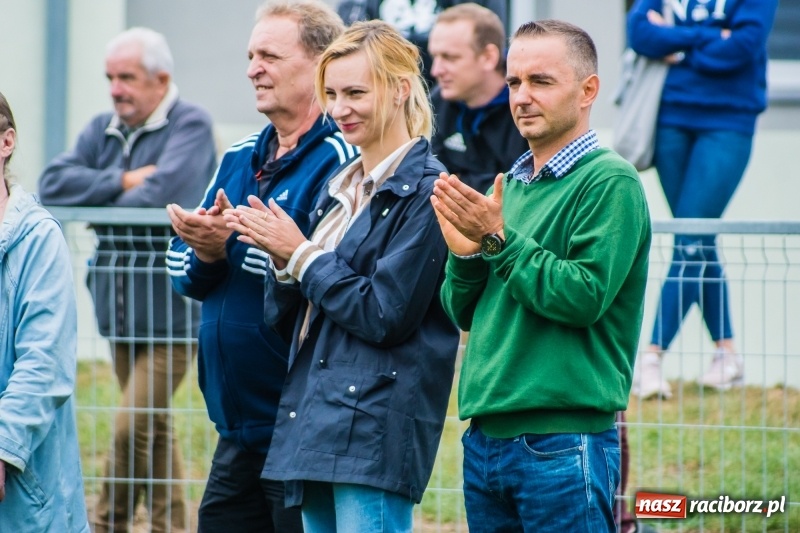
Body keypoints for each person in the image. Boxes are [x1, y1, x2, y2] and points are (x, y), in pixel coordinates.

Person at [224, 20, 460, 532]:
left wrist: (301, 255)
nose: (339, 109)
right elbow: (289, 317)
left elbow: (383, 314)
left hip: (373, 427)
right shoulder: (339, 190)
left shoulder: (428, 193)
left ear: (400, 91)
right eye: (330, 93)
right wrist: (283, 262)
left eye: (356, 92)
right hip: (315, 417)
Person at [433, 20, 652, 532]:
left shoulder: (609, 179)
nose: (522, 97)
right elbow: (462, 312)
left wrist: (498, 241)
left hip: (562, 439)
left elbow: (582, 296)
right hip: (486, 439)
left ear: (588, 90)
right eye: (513, 83)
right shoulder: (508, 187)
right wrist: (465, 257)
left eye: (541, 81)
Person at [165, 2, 350, 531]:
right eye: (250, 55)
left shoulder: (340, 159)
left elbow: (326, 277)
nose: (252, 69)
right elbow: (180, 271)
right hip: (236, 430)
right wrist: (207, 250)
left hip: (300, 426)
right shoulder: (238, 156)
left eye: (269, 55)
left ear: (320, 65)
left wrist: (235, 247)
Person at [38, 27, 217, 532]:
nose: (116, 89)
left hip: (174, 314)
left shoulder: (192, 125)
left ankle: (105, 524)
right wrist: (123, 179)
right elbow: (53, 183)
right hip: (119, 313)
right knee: (152, 428)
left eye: (127, 78)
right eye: (110, 78)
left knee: (127, 426)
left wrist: (102, 199)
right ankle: (172, 525)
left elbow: (163, 197)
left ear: (161, 80)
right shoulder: (103, 127)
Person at [627, 0, 778, 400]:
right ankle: (727, 355)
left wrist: (676, 46)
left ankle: (651, 358)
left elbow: (743, 46)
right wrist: (709, 35)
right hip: (670, 119)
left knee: (691, 237)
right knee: (696, 239)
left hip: (728, 120)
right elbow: (640, 33)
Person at [0, 93, 90, 532]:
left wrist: (3, 446)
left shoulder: (36, 239)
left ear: (7, 142)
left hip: (22, 484)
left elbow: (44, 361)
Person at [428, 3, 528, 194]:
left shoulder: (528, 105)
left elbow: (526, 191)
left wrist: (459, 180)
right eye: (435, 57)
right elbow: (430, 183)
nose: (436, 71)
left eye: (449, 57)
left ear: (488, 57)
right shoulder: (435, 105)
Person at [336, 0, 506, 86]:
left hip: (450, 95)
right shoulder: (360, 4)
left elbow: (486, 38)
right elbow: (349, 48)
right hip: (385, 95)